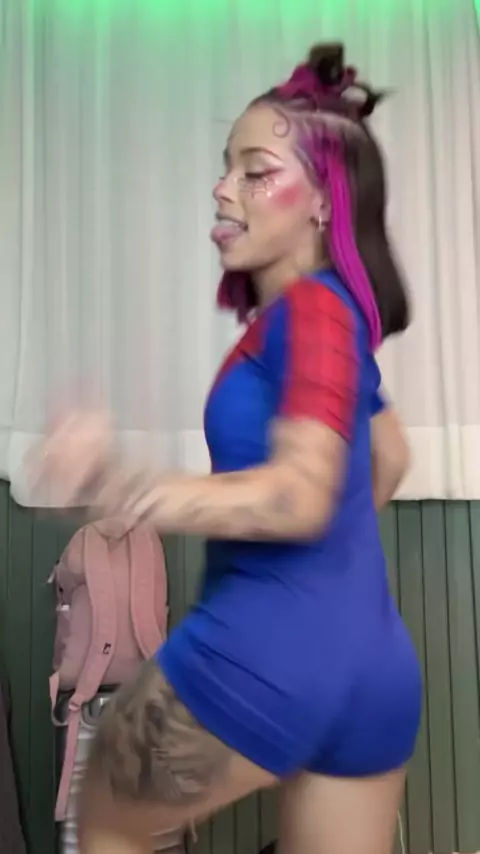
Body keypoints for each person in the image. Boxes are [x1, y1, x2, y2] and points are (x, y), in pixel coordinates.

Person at [35, 42, 421, 854]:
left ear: (325, 203)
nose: (222, 188)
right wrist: (329, 577)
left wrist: (120, 481)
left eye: (255, 171)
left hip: (262, 654)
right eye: (226, 168)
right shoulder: (335, 320)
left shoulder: (310, 313)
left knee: (105, 822)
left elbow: (300, 495)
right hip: (374, 671)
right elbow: (389, 458)